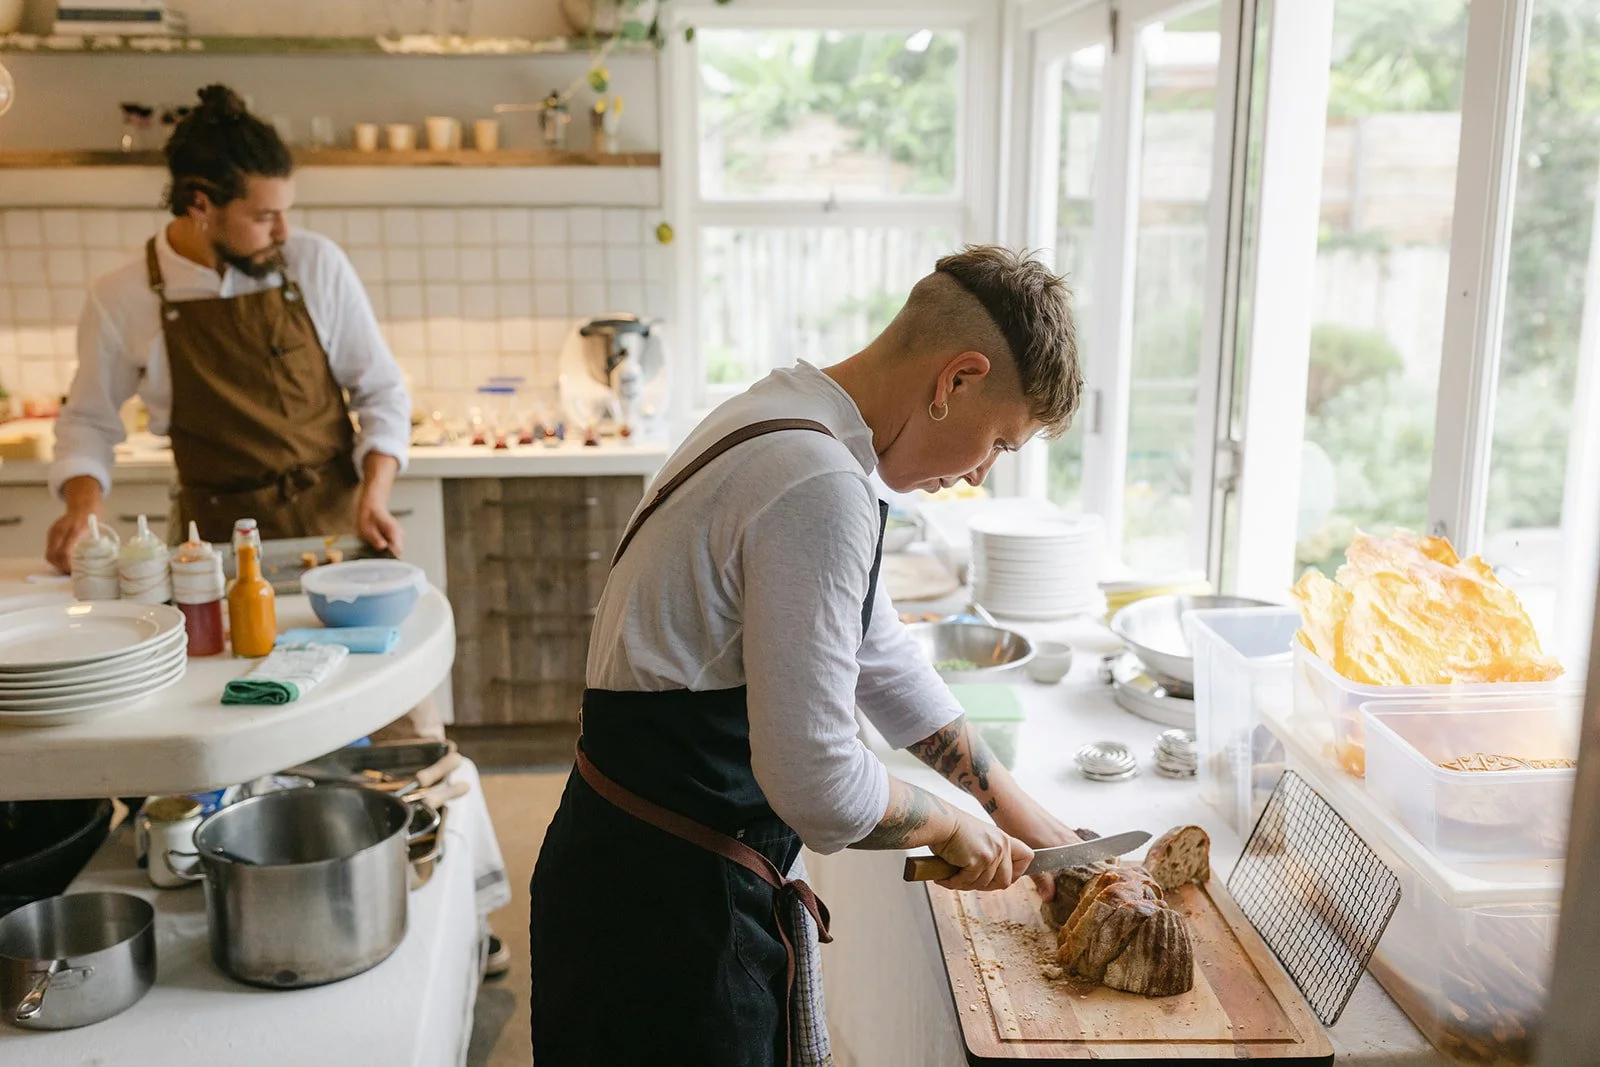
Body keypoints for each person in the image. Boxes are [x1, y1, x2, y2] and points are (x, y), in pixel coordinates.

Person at [529, 245, 1087, 1062]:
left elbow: (878, 654)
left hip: (630, 876)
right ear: (956, 378)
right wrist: (949, 825)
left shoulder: (785, 417)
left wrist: (1014, 808)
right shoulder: (819, 482)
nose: (977, 477)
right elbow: (818, 783)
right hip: (668, 927)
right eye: (999, 443)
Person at [45, 83, 409, 568]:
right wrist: (82, 508)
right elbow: (88, 421)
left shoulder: (313, 264)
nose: (282, 232)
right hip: (212, 552)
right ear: (200, 204)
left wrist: (375, 495)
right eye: (264, 216)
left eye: (285, 213)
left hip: (336, 534)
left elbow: (382, 393)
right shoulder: (123, 296)